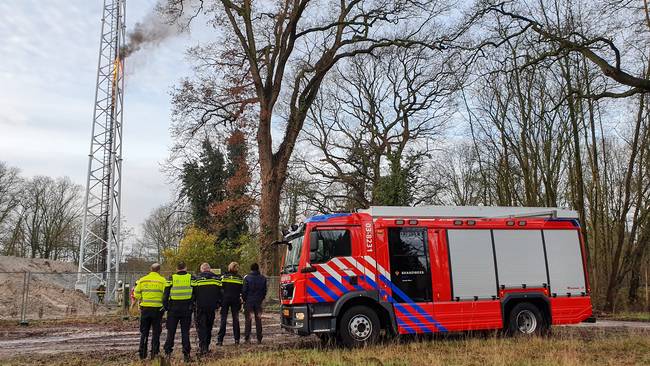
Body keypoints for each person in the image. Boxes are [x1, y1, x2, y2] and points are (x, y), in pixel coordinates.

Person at [163, 261, 196, 362]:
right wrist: (192, 305)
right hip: (186, 309)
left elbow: (165, 295)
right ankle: (186, 355)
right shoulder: (191, 278)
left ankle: (168, 354)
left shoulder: (171, 278)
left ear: (177, 268)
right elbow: (195, 293)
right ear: (185, 267)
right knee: (185, 332)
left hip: (173, 309)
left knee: (171, 332)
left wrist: (166, 307)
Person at [133, 263, 166, 360]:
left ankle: (142, 354)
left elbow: (136, 294)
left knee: (144, 332)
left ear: (150, 269)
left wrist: (143, 298)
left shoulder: (142, 280)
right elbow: (166, 295)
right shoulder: (162, 281)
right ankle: (154, 354)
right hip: (157, 309)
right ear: (159, 270)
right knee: (156, 332)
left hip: (145, 309)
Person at [194, 262, 222, 356]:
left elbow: (193, 293)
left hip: (200, 307)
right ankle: (207, 346)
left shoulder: (197, 279)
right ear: (209, 269)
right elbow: (221, 293)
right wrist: (218, 304)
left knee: (201, 327)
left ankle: (203, 348)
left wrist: (194, 303)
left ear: (202, 269)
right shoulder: (217, 279)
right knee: (209, 327)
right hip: (212, 307)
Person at [217, 262, 243, 345]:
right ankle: (237, 340)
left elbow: (220, 289)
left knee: (223, 319)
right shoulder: (239, 278)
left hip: (225, 300)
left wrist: (220, 301)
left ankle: (220, 340)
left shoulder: (224, 277)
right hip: (235, 300)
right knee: (236, 319)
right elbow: (242, 290)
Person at [242, 263, 267, 344]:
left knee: (248, 320)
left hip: (249, 302)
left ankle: (247, 338)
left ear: (251, 269)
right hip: (258, 302)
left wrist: (244, 299)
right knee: (258, 320)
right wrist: (261, 299)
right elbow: (264, 291)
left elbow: (244, 291)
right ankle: (259, 338)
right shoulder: (263, 278)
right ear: (258, 268)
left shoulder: (247, 278)